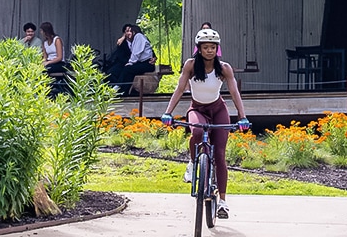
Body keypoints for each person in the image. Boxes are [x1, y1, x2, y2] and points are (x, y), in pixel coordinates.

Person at [161, 28, 250, 220]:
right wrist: (168, 112)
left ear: (217, 49)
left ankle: (223, 202)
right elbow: (179, 88)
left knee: (220, 155)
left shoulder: (224, 68)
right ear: (199, 48)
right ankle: (193, 163)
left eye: (213, 47)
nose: (209, 50)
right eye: (205, 47)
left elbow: (234, 92)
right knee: (196, 132)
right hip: (197, 109)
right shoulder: (191, 65)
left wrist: (242, 117)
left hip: (218, 110)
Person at [107, 23, 156, 93]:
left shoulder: (139, 37)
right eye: (127, 31)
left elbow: (137, 53)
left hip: (146, 63)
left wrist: (131, 62)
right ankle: (122, 90)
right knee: (119, 72)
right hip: (131, 62)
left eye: (130, 31)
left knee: (128, 69)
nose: (129, 33)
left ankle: (119, 87)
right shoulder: (127, 41)